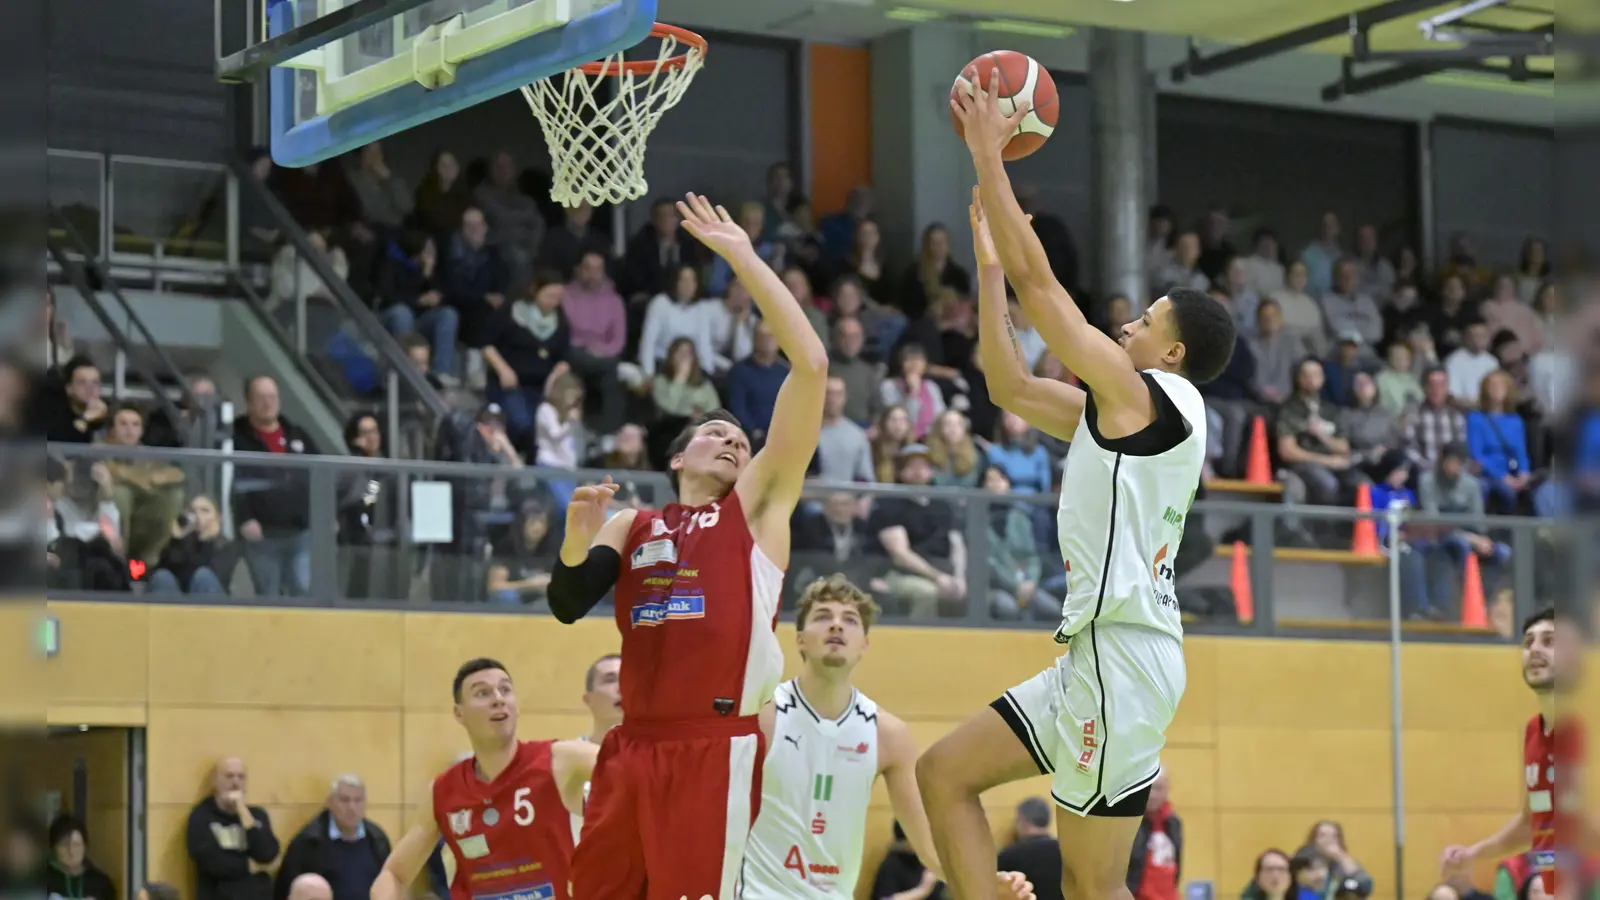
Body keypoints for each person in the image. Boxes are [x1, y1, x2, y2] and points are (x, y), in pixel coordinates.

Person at [923, 74, 1236, 900]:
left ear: (1171, 354)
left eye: (1146, 321)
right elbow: (1011, 387)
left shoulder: (1160, 396)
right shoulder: (1124, 410)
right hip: (1101, 656)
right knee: (943, 773)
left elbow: (1049, 298)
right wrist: (989, 265)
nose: (1128, 323)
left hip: (1121, 657)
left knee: (1093, 891)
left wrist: (989, 153)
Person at [546, 192, 830, 900]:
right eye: (715, 433)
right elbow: (566, 602)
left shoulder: (755, 508)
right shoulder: (634, 523)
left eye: (741, 438)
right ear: (678, 458)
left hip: (713, 747)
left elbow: (813, 366)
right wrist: (575, 542)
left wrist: (743, 258)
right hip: (630, 744)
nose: (734, 440)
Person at [740, 575, 1033, 899]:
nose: (836, 626)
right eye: (823, 617)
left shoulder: (887, 735)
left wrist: (984, 883)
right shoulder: (761, 715)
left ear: (864, 644)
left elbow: (929, 848)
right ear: (800, 639)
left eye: (849, 620)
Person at [368, 659, 599, 900]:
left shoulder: (562, 759)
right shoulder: (442, 791)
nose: (498, 699)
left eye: (505, 690)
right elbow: (394, 875)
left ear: (516, 706)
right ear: (459, 713)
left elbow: (633, 770)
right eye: (483, 693)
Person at [1440, 609, 1585, 895]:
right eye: (1528, 642)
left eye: (1549, 641)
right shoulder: (1534, 732)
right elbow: (1532, 823)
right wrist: (1473, 853)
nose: (1534, 650)